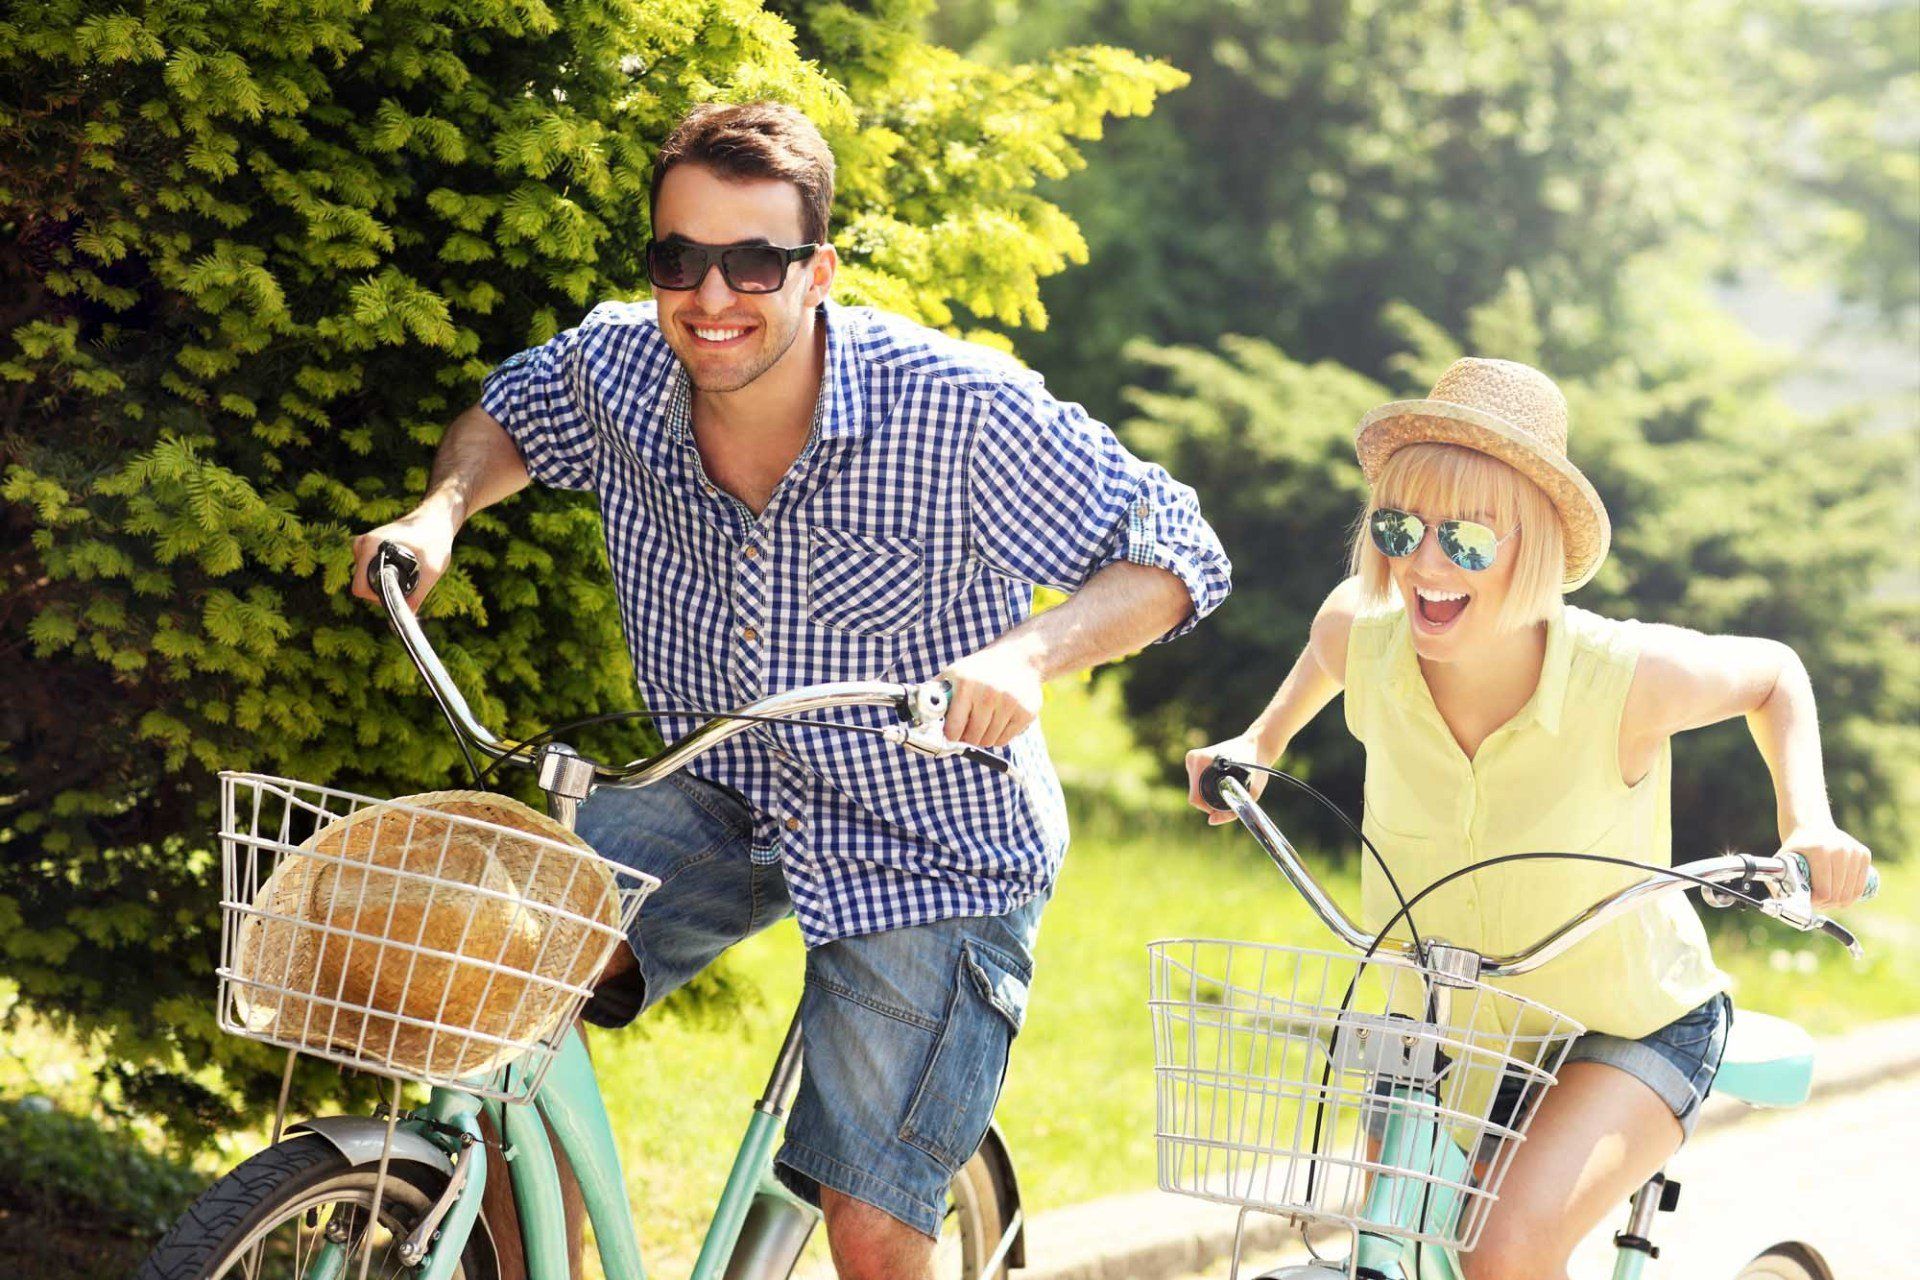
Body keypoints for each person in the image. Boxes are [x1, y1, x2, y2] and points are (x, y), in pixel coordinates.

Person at [351, 101, 1231, 1280]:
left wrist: (1028, 655)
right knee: (489, 978)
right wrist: (440, 512)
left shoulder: (957, 410)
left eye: (753, 262)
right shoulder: (620, 366)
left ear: (818, 272)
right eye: (679, 258)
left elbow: (1176, 550)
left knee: (867, 1218)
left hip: (929, 835)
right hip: (710, 782)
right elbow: (509, 413)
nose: (711, 295)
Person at [1184, 357, 1871, 1280]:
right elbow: (1328, 644)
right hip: (1448, 1024)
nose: (1424, 564)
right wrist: (1260, 742)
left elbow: (1774, 674)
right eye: (1399, 527)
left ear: (1536, 548)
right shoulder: (1366, 635)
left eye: (1466, 539)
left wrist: (1807, 825)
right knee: (1393, 1238)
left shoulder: (1626, 677)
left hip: (1626, 1020)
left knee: (1503, 1252)